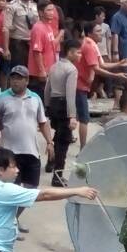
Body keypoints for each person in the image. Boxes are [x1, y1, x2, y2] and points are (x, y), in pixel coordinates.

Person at [0, 65, 53, 232]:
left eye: (19, 78)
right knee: (12, 191)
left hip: (31, 152)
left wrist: (50, 142)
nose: (15, 81)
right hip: (10, 153)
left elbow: (42, 122)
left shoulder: (35, 98)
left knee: (31, 190)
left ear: (27, 80)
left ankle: (13, 219)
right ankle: (8, 224)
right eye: (13, 78)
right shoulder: (2, 98)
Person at [76, 21, 127, 147]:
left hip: (83, 84)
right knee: (84, 119)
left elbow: (102, 65)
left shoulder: (93, 44)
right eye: (97, 31)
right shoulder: (89, 46)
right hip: (79, 85)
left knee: (79, 116)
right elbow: (97, 69)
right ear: (89, 34)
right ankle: (83, 149)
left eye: (100, 30)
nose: (101, 33)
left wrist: (119, 63)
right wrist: (116, 75)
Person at [45, 39, 80, 187]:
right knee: (63, 142)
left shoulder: (54, 66)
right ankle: (57, 176)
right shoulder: (71, 69)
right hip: (64, 105)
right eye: (78, 52)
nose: (79, 55)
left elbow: (47, 88)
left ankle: (50, 162)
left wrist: (47, 106)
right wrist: (72, 116)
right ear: (70, 52)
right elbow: (70, 94)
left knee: (58, 136)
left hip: (53, 104)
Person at [4, 0, 38, 72]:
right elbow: (6, 28)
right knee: (18, 71)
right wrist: (6, 49)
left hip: (32, 43)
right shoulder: (12, 6)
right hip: (18, 44)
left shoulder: (34, 6)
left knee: (31, 71)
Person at [28, 2, 59, 99]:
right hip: (39, 73)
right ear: (41, 13)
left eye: (52, 10)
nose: (52, 13)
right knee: (39, 98)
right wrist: (42, 71)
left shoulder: (48, 26)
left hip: (49, 70)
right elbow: (37, 51)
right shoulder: (38, 28)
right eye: (49, 10)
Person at [92, 6, 113, 99]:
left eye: (104, 16)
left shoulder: (106, 26)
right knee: (94, 73)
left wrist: (109, 53)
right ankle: (93, 91)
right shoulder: (91, 26)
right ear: (96, 16)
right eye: (102, 16)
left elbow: (109, 40)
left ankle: (101, 88)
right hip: (94, 52)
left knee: (105, 72)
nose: (104, 18)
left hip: (104, 52)